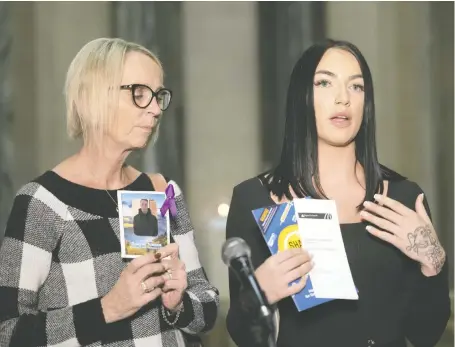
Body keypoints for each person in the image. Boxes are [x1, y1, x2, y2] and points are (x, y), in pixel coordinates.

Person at [225, 39, 450, 347]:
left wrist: (433, 262)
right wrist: (258, 295)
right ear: (301, 96)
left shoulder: (402, 198)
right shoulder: (255, 198)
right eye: (325, 83)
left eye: (356, 87)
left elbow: (426, 334)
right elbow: (243, 336)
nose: (343, 98)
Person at [0, 38, 219, 347]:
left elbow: (207, 308)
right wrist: (109, 308)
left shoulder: (161, 190)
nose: (156, 109)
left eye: (158, 96)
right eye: (139, 94)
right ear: (92, 97)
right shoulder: (42, 203)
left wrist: (179, 304)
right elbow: (8, 333)